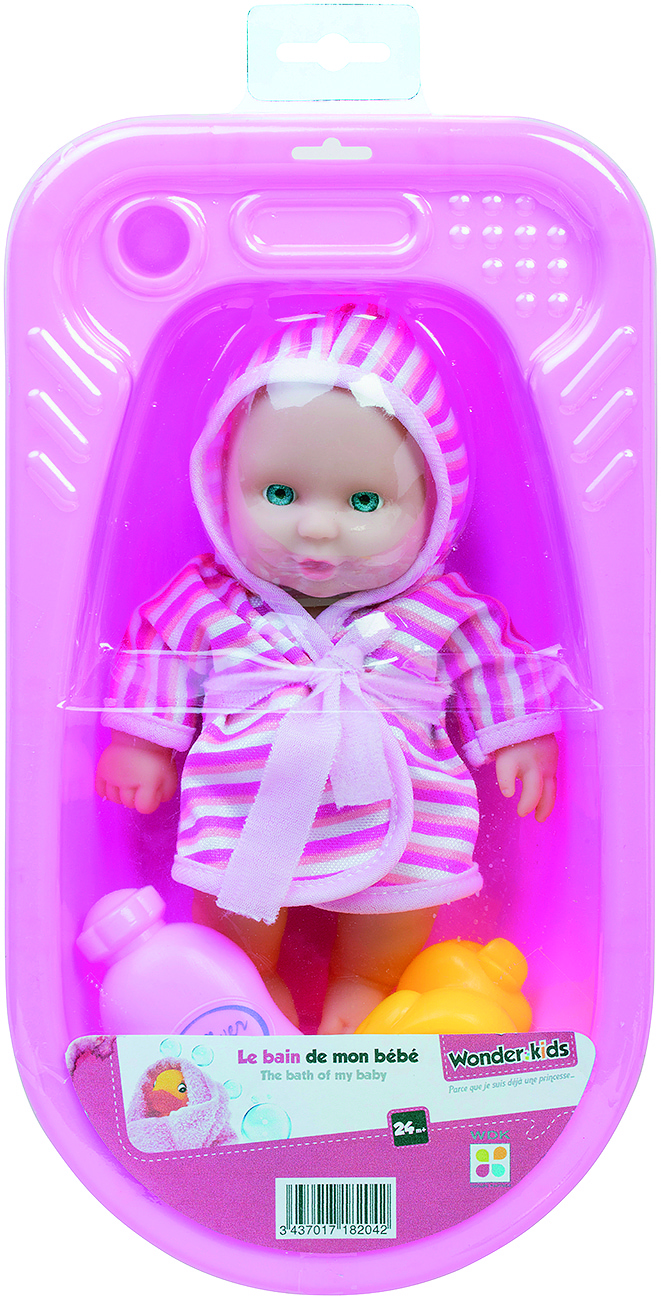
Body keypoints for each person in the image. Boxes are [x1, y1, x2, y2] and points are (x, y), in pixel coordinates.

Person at [96, 304, 559, 1033]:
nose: (315, 527)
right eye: (279, 494)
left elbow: (493, 658)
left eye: (364, 501)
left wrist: (521, 734)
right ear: (224, 482)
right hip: (248, 808)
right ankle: (250, 996)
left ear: (435, 506)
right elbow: (158, 644)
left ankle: (365, 989)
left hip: (401, 811)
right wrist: (142, 740)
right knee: (231, 918)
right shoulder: (209, 596)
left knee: (396, 909)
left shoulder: (437, 607)